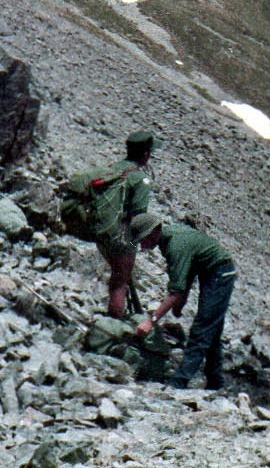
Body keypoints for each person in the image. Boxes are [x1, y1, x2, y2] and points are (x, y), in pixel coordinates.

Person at [130, 213, 237, 390]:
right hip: (210, 272)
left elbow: (176, 291)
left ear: (154, 232)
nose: (142, 245)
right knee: (213, 330)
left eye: (143, 239)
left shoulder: (175, 246)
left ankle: (179, 382)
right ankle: (216, 383)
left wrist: (151, 320)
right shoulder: (168, 240)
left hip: (220, 273)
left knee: (202, 329)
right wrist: (182, 301)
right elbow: (186, 272)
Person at [98, 130, 156, 318]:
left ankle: (114, 314)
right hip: (123, 236)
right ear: (145, 154)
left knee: (117, 275)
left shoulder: (113, 169)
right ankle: (114, 325)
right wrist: (135, 244)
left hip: (102, 231)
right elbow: (138, 216)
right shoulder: (140, 179)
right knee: (120, 281)